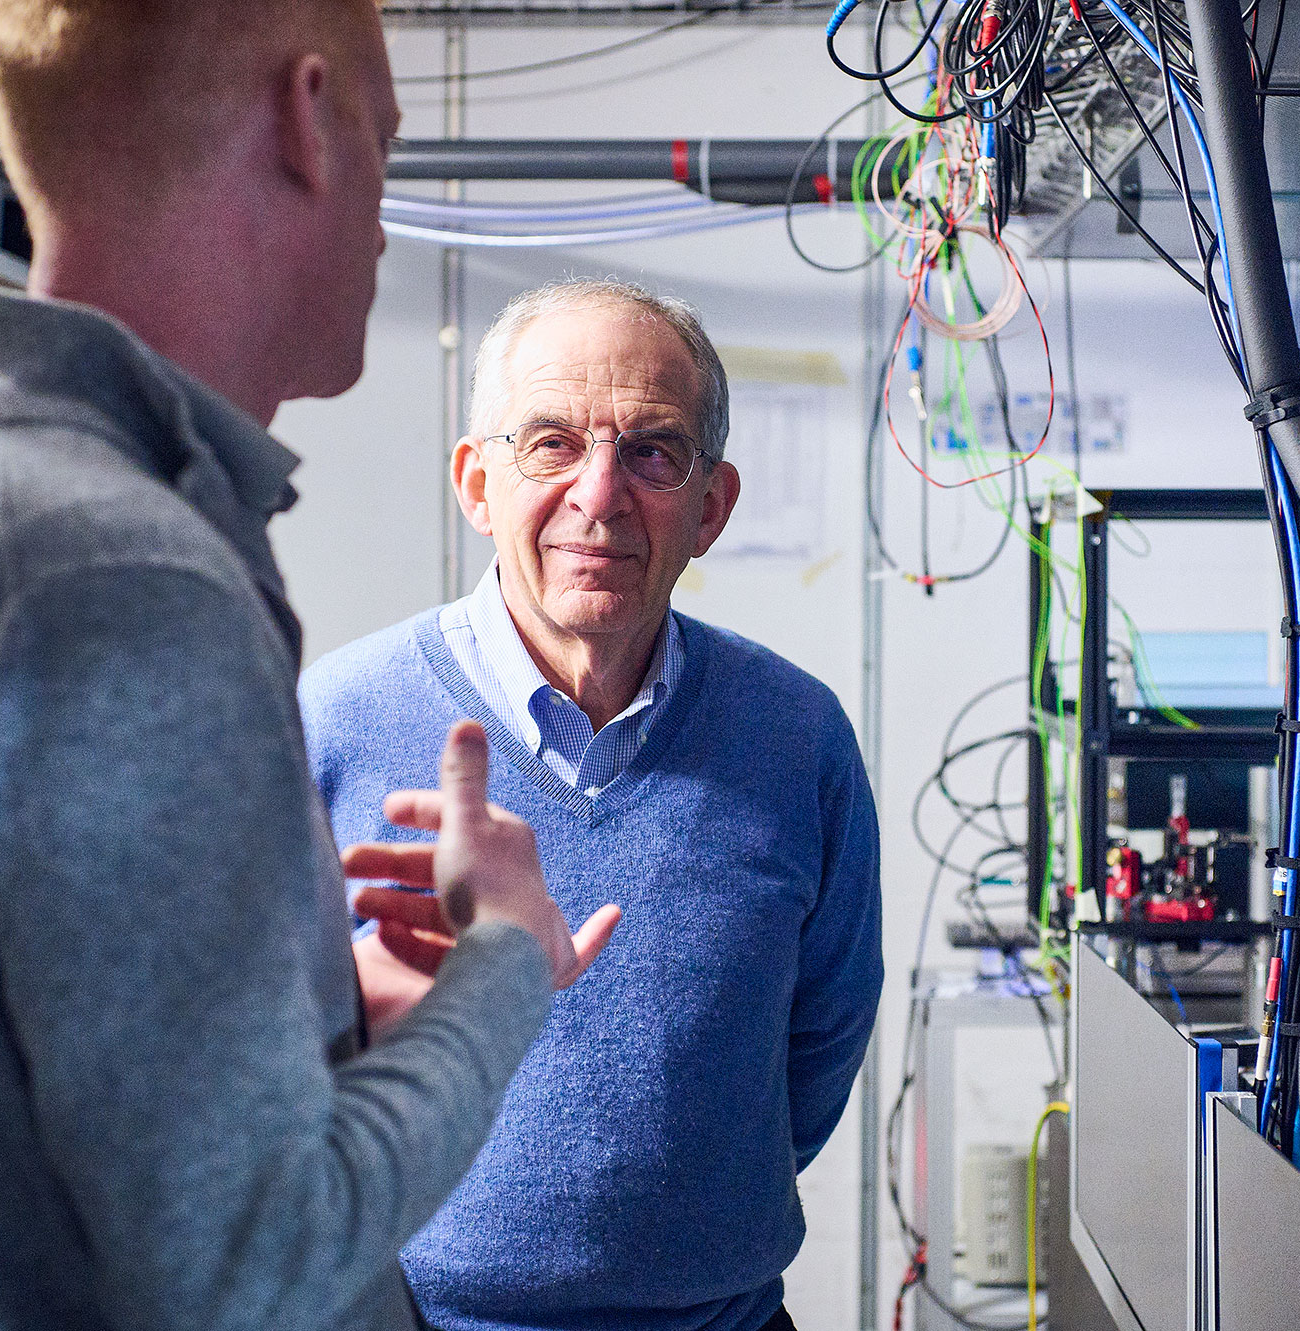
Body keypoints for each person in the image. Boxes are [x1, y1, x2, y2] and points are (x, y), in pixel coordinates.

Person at [0, 4, 617, 1330]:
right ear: (307, 117)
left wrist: (309, 1026)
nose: (384, 223)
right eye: (384, 144)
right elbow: (252, 1268)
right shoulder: (118, 575)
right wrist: (501, 963)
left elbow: (20, 1110)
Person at [300, 279, 884, 1331]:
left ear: (709, 505)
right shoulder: (331, 719)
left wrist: (685, 1216)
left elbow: (823, 1033)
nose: (600, 493)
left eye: (651, 450)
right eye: (551, 444)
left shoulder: (796, 737)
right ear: (477, 483)